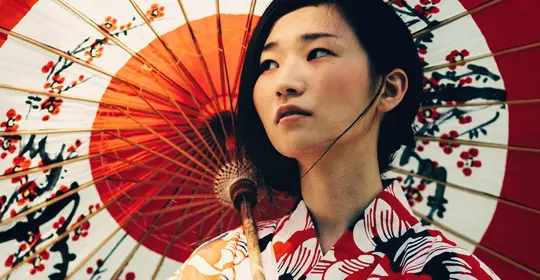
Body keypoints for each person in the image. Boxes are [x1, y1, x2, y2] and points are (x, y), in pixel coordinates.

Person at [169, 0, 499, 279]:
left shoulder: (448, 270)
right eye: (268, 64)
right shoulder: (219, 267)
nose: (284, 83)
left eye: (317, 53)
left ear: (389, 88)